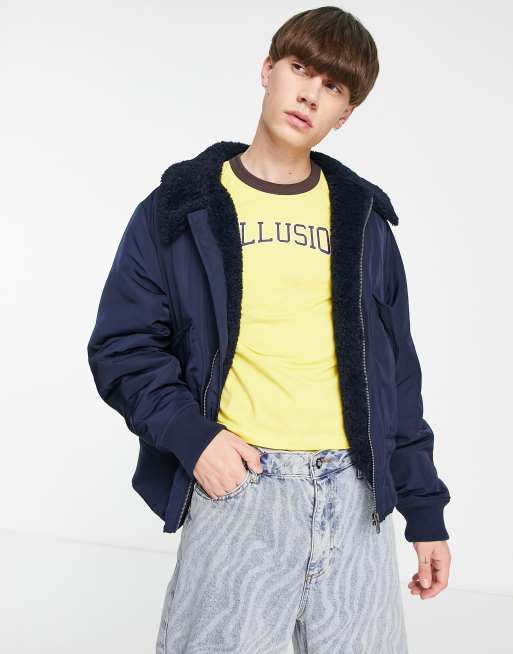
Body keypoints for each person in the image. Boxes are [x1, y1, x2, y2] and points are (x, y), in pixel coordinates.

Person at [87, 6, 451, 653]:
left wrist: (424, 510)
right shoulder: (181, 207)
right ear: (267, 70)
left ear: (345, 113)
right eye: (300, 68)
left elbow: (397, 374)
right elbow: (124, 345)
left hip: (355, 497)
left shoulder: (364, 221)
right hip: (241, 491)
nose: (310, 93)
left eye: (333, 86)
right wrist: (193, 437)